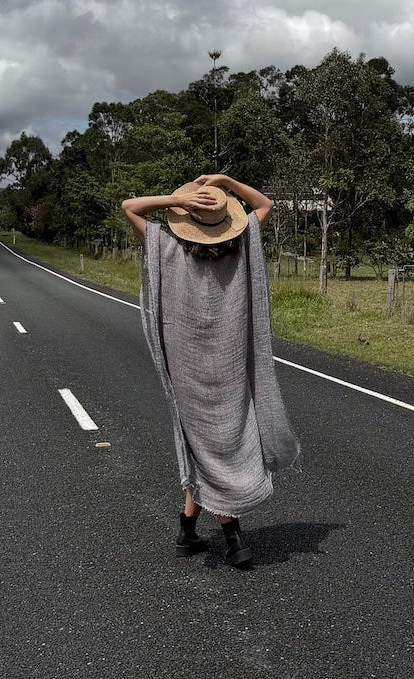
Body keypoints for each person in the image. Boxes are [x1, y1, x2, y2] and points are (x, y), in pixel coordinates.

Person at [122, 174, 300, 568]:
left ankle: (188, 529)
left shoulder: (166, 245)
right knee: (218, 440)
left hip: (186, 364)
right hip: (231, 360)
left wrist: (175, 200)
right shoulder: (242, 246)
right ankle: (231, 533)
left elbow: (129, 206)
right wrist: (226, 181)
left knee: (204, 442)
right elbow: (266, 204)